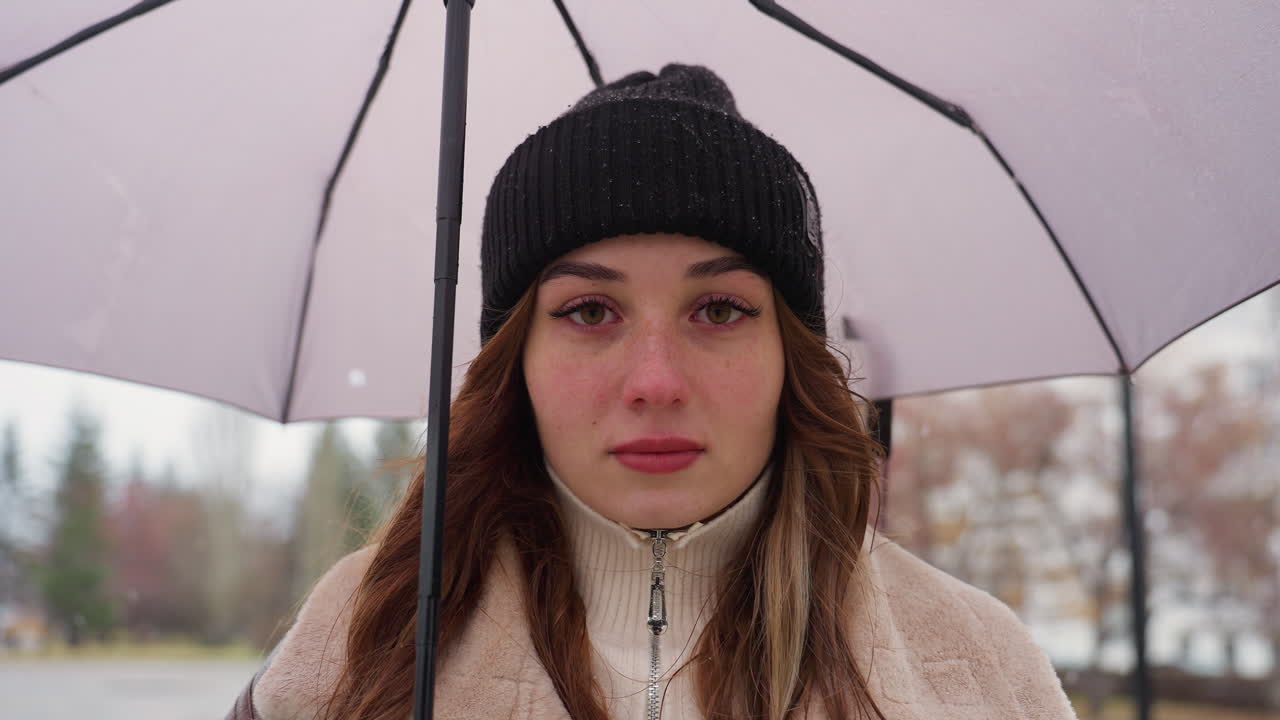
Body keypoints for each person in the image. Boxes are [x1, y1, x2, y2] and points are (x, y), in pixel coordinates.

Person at [226, 64, 1076, 720]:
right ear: (513, 357)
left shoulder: (980, 672)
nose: (657, 382)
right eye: (590, 310)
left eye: (720, 308)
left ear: (793, 355)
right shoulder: (352, 648)